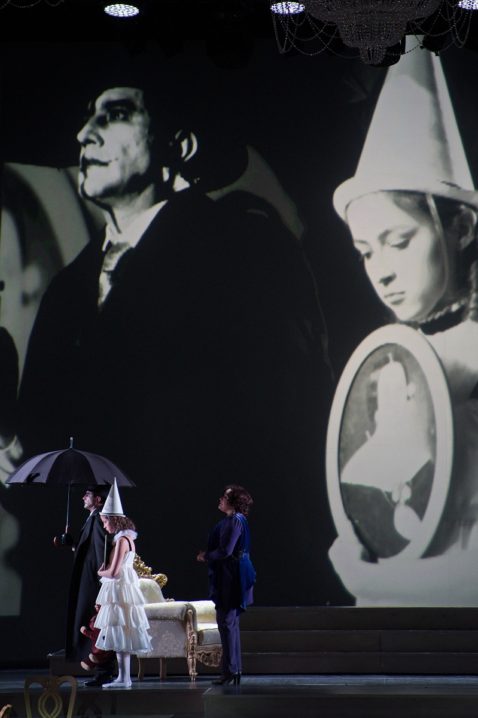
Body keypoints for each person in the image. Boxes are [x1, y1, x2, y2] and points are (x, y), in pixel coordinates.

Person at [0, 75, 336, 608]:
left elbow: (285, 412)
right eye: (86, 118)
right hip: (87, 584)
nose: (85, 134)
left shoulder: (243, 247)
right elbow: (45, 433)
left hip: (199, 571)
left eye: (114, 115)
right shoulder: (67, 288)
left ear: (179, 146)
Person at [328, 45, 478, 605]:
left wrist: (372, 580)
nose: (382, 271)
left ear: (460, 227)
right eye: (366, 251)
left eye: (399, 241)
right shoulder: (392, 369)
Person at [94, 480, 151, 689]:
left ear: (113, 520)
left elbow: (114, 572)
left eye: (105, 522)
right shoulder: (127, 539)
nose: (104, 526)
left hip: (120, 588)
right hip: (124, 587)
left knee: (120, 631)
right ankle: (123, 677)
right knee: (121, 633)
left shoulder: (121, 541)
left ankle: (124, 678)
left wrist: (101, 571)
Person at [197, 485, 255, 685]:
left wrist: (206, 556)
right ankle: (234, 669)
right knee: (230, 623)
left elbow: (226, 551)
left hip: (232, 577)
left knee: (226, 622)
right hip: (234, 574)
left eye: (224, 497)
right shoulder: (236, 520)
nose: (220, 500)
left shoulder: (234, 521)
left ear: (233, 502)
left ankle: (230, 671)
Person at [65, 485, 115, 686]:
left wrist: (101, 582)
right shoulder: (92, 518)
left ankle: (104, 670)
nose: (83, 497)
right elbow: (88, 548)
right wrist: (72, 544)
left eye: (88, 494)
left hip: (94, 581)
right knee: (93, 624)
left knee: (97, 625)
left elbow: (101, 550)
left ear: (98, 500)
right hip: (88, 578)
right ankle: (100, 669)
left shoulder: (98, 519)